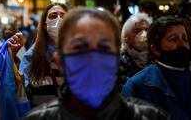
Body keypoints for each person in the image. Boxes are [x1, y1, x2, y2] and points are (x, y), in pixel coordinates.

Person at [22, 7, 169, 119]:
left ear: (117, 58)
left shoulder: (152, 117)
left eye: (103, 48)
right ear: (60, 61)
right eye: (79, 47)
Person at [122, 16, 191, 120]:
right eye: (173, 39)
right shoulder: (137, 86)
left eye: (185, 39)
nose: (182, 45)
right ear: (156, 49)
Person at [19, 3, 68, 107]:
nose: (59, 19)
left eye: (63, 16)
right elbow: (21, 92)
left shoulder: (77, 54)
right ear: (45, 25)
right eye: (53, 16)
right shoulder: (32, 55)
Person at [119, 13, 152, 87]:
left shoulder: (155, 58)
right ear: (126, 35)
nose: (144, 35)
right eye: (137, 31)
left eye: (146, 30)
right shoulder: (119, 61)